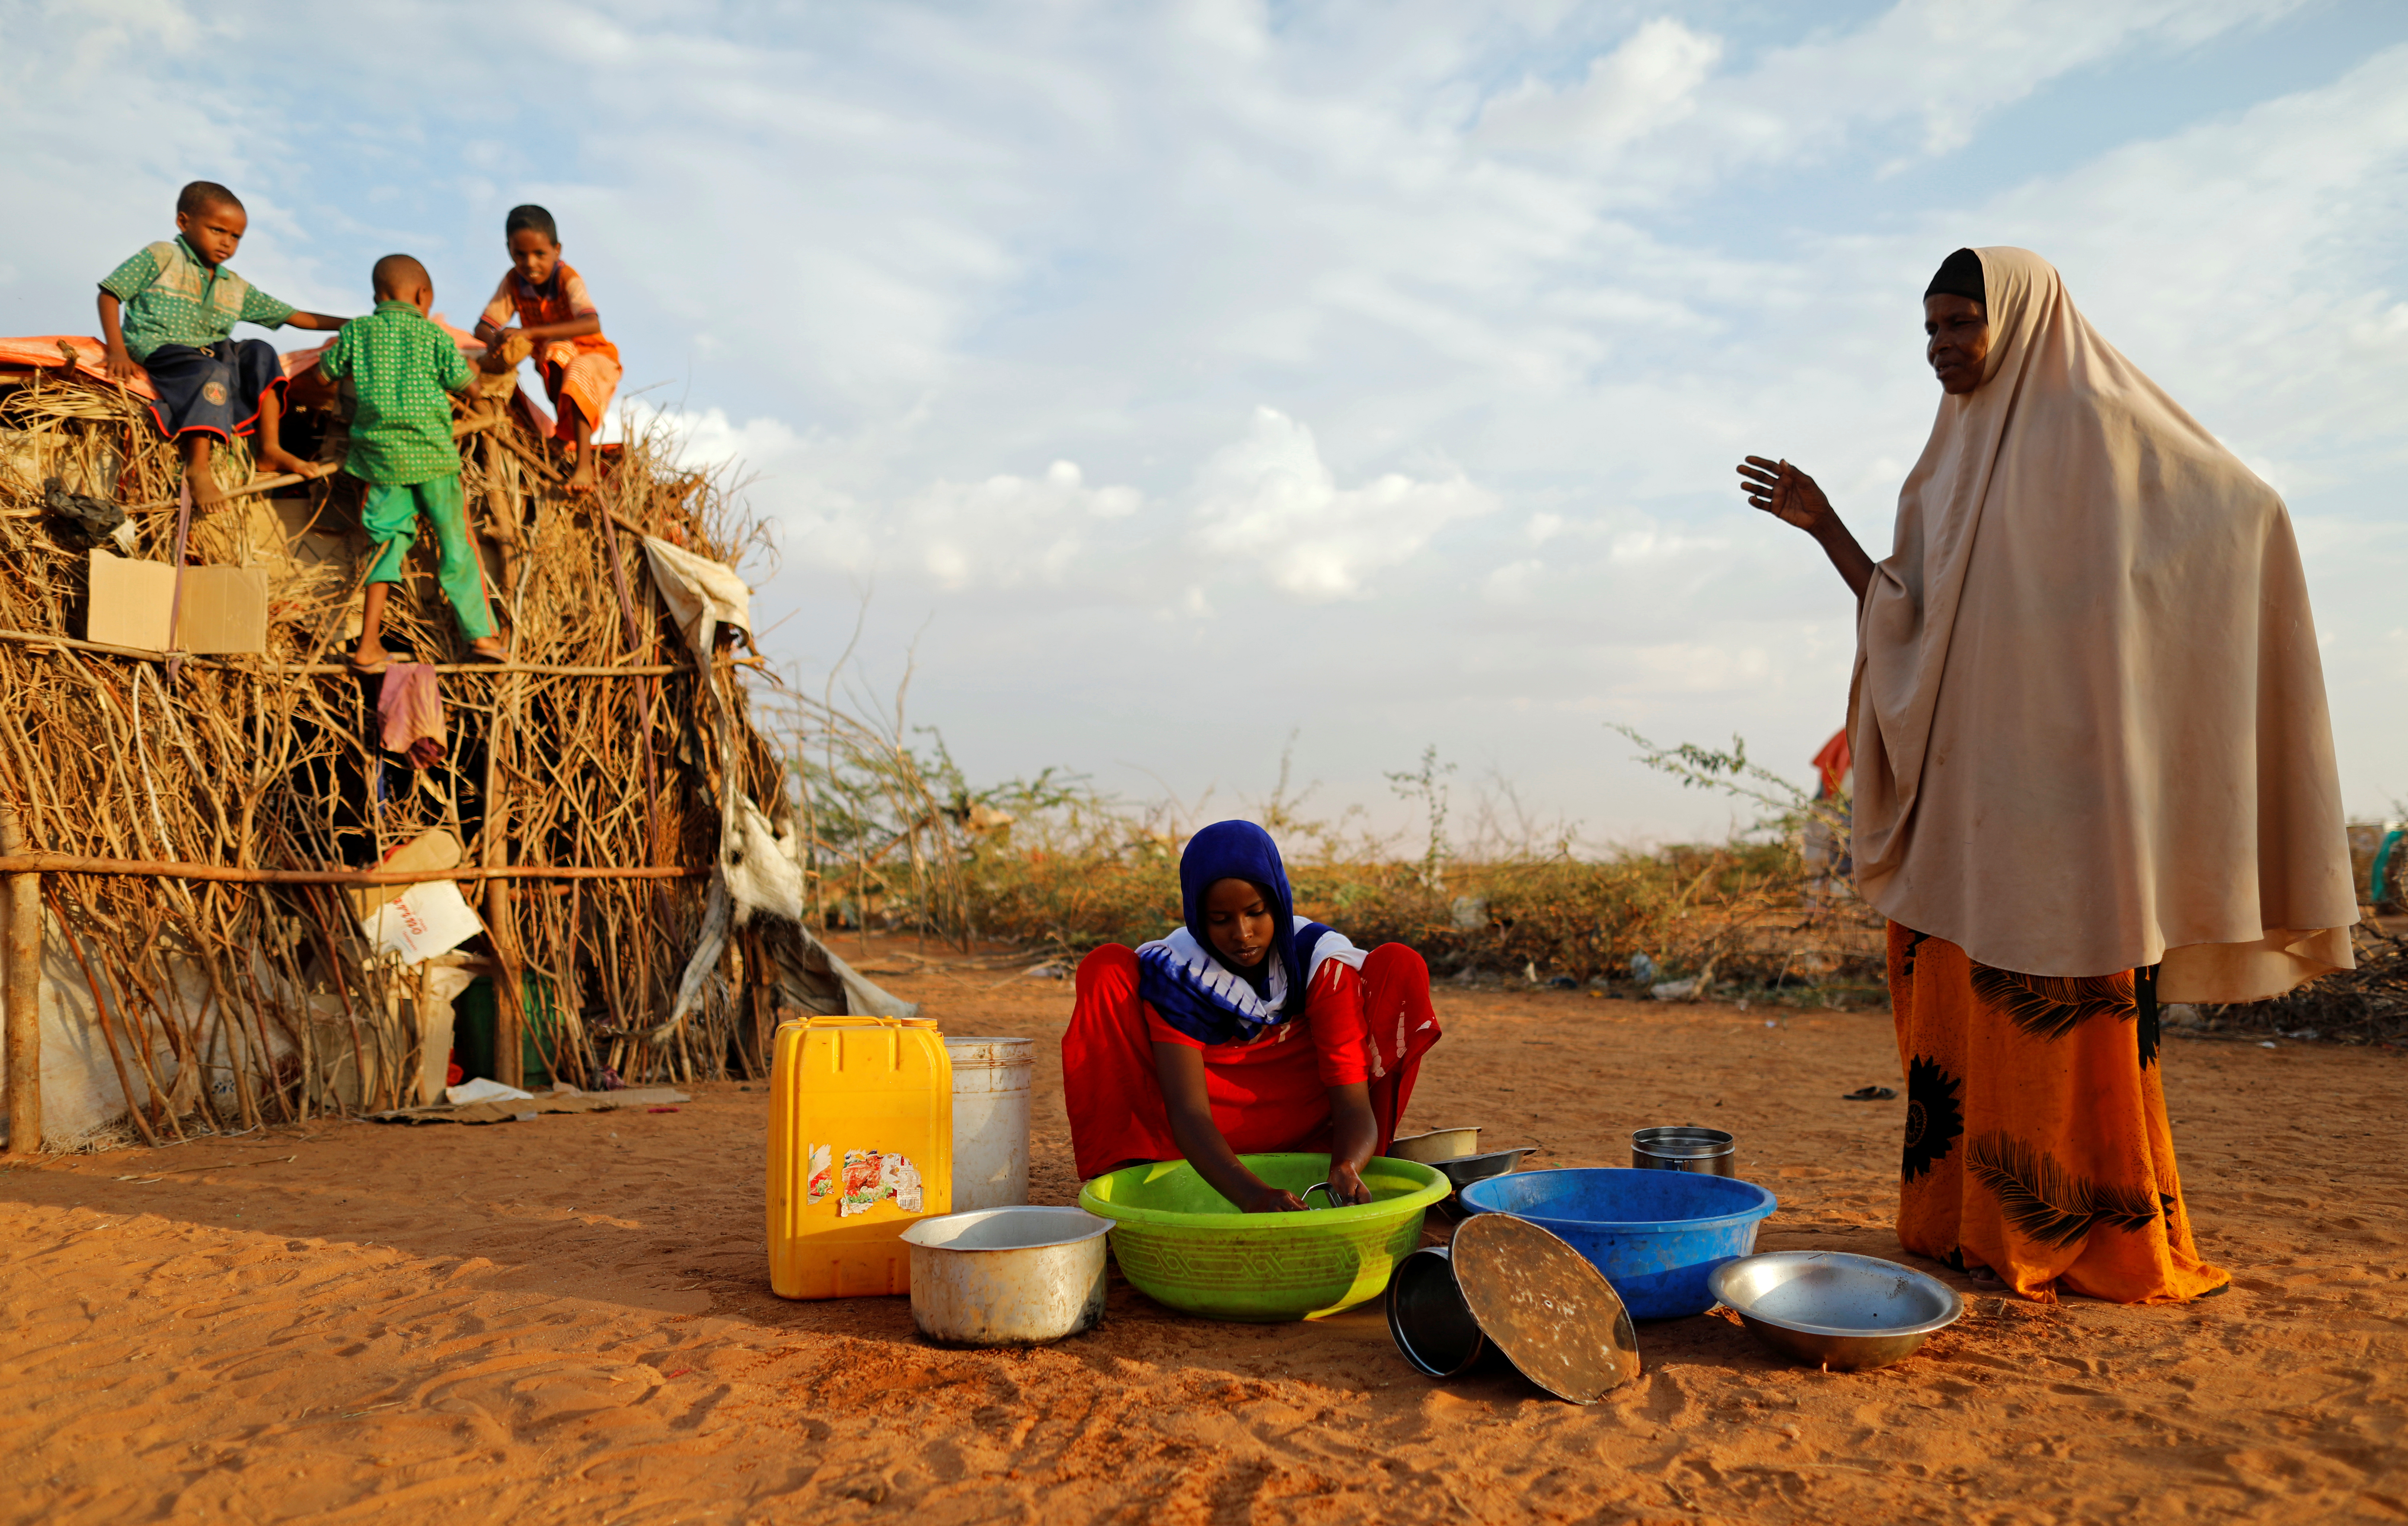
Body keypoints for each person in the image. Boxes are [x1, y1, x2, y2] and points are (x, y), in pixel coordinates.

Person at [1736, 247, 2357, 1304]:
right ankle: (1967, 1224)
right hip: (1970, 808)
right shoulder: (1943, 464)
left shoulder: (2099, 430)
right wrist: (1825, 524)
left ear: (2018, 321)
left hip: (2075, 813)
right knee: (1958, 1015)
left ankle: (2086, 1234)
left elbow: (2241, 511)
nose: (1941, 349)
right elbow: (1906, 615)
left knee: (2063, 1010)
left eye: (1960, 326)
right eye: (1929, 331)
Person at [1062, 820, 1442, 1211]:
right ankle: (1131, 1179)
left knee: (1399, 964)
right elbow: (1188, 1111)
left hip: (1310, 1122)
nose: (1242, 934)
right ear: (1197, 917)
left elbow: (1351, 1103)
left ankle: (1359, 1173)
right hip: (1195, 1135)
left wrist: (1347, 1164)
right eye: (1220, 919)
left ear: (1278, 902)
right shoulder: (1177, 972)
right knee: (1106, 968)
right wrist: (1249, 1195)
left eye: (1256, 912)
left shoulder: (1319, 961)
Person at [96, 180, 350, 505]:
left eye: (236, 237)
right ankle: (198, 468)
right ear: (184, 223)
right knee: (211, 371)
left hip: (210, 349)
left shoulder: (235, 285)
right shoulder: (162, 256)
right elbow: (110, 294)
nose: (227, 243)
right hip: (161, 347)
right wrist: (118, 350)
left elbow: (295, 317)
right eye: (218, 230)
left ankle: (270, 448)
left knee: (261, 352)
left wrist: (360, 324)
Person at [318, 254, 504, 672]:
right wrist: (474, 371)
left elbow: (323, 377)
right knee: (457, 542)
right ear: (424, 296)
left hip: (379, 460)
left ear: (377, 296)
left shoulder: (357, 332)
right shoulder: (435, 337)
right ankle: (483, 636)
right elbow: (471, 389)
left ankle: (368, 645)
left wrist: (337, 353)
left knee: (383, 546)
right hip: (433, 454)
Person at [473, 204, 622, 495]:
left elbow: (591, 322)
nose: (530, 263)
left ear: (557, 250)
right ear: (509, 251)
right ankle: (564, 432)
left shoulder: (567, 279)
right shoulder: (514, 282)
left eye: (540, 254)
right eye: (520, 255)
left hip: (596, 361)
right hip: (557, 359)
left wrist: (530, 332)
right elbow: (484, 325)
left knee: (563, 357)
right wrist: (497, 341)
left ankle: (582, 465)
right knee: (553, 356)